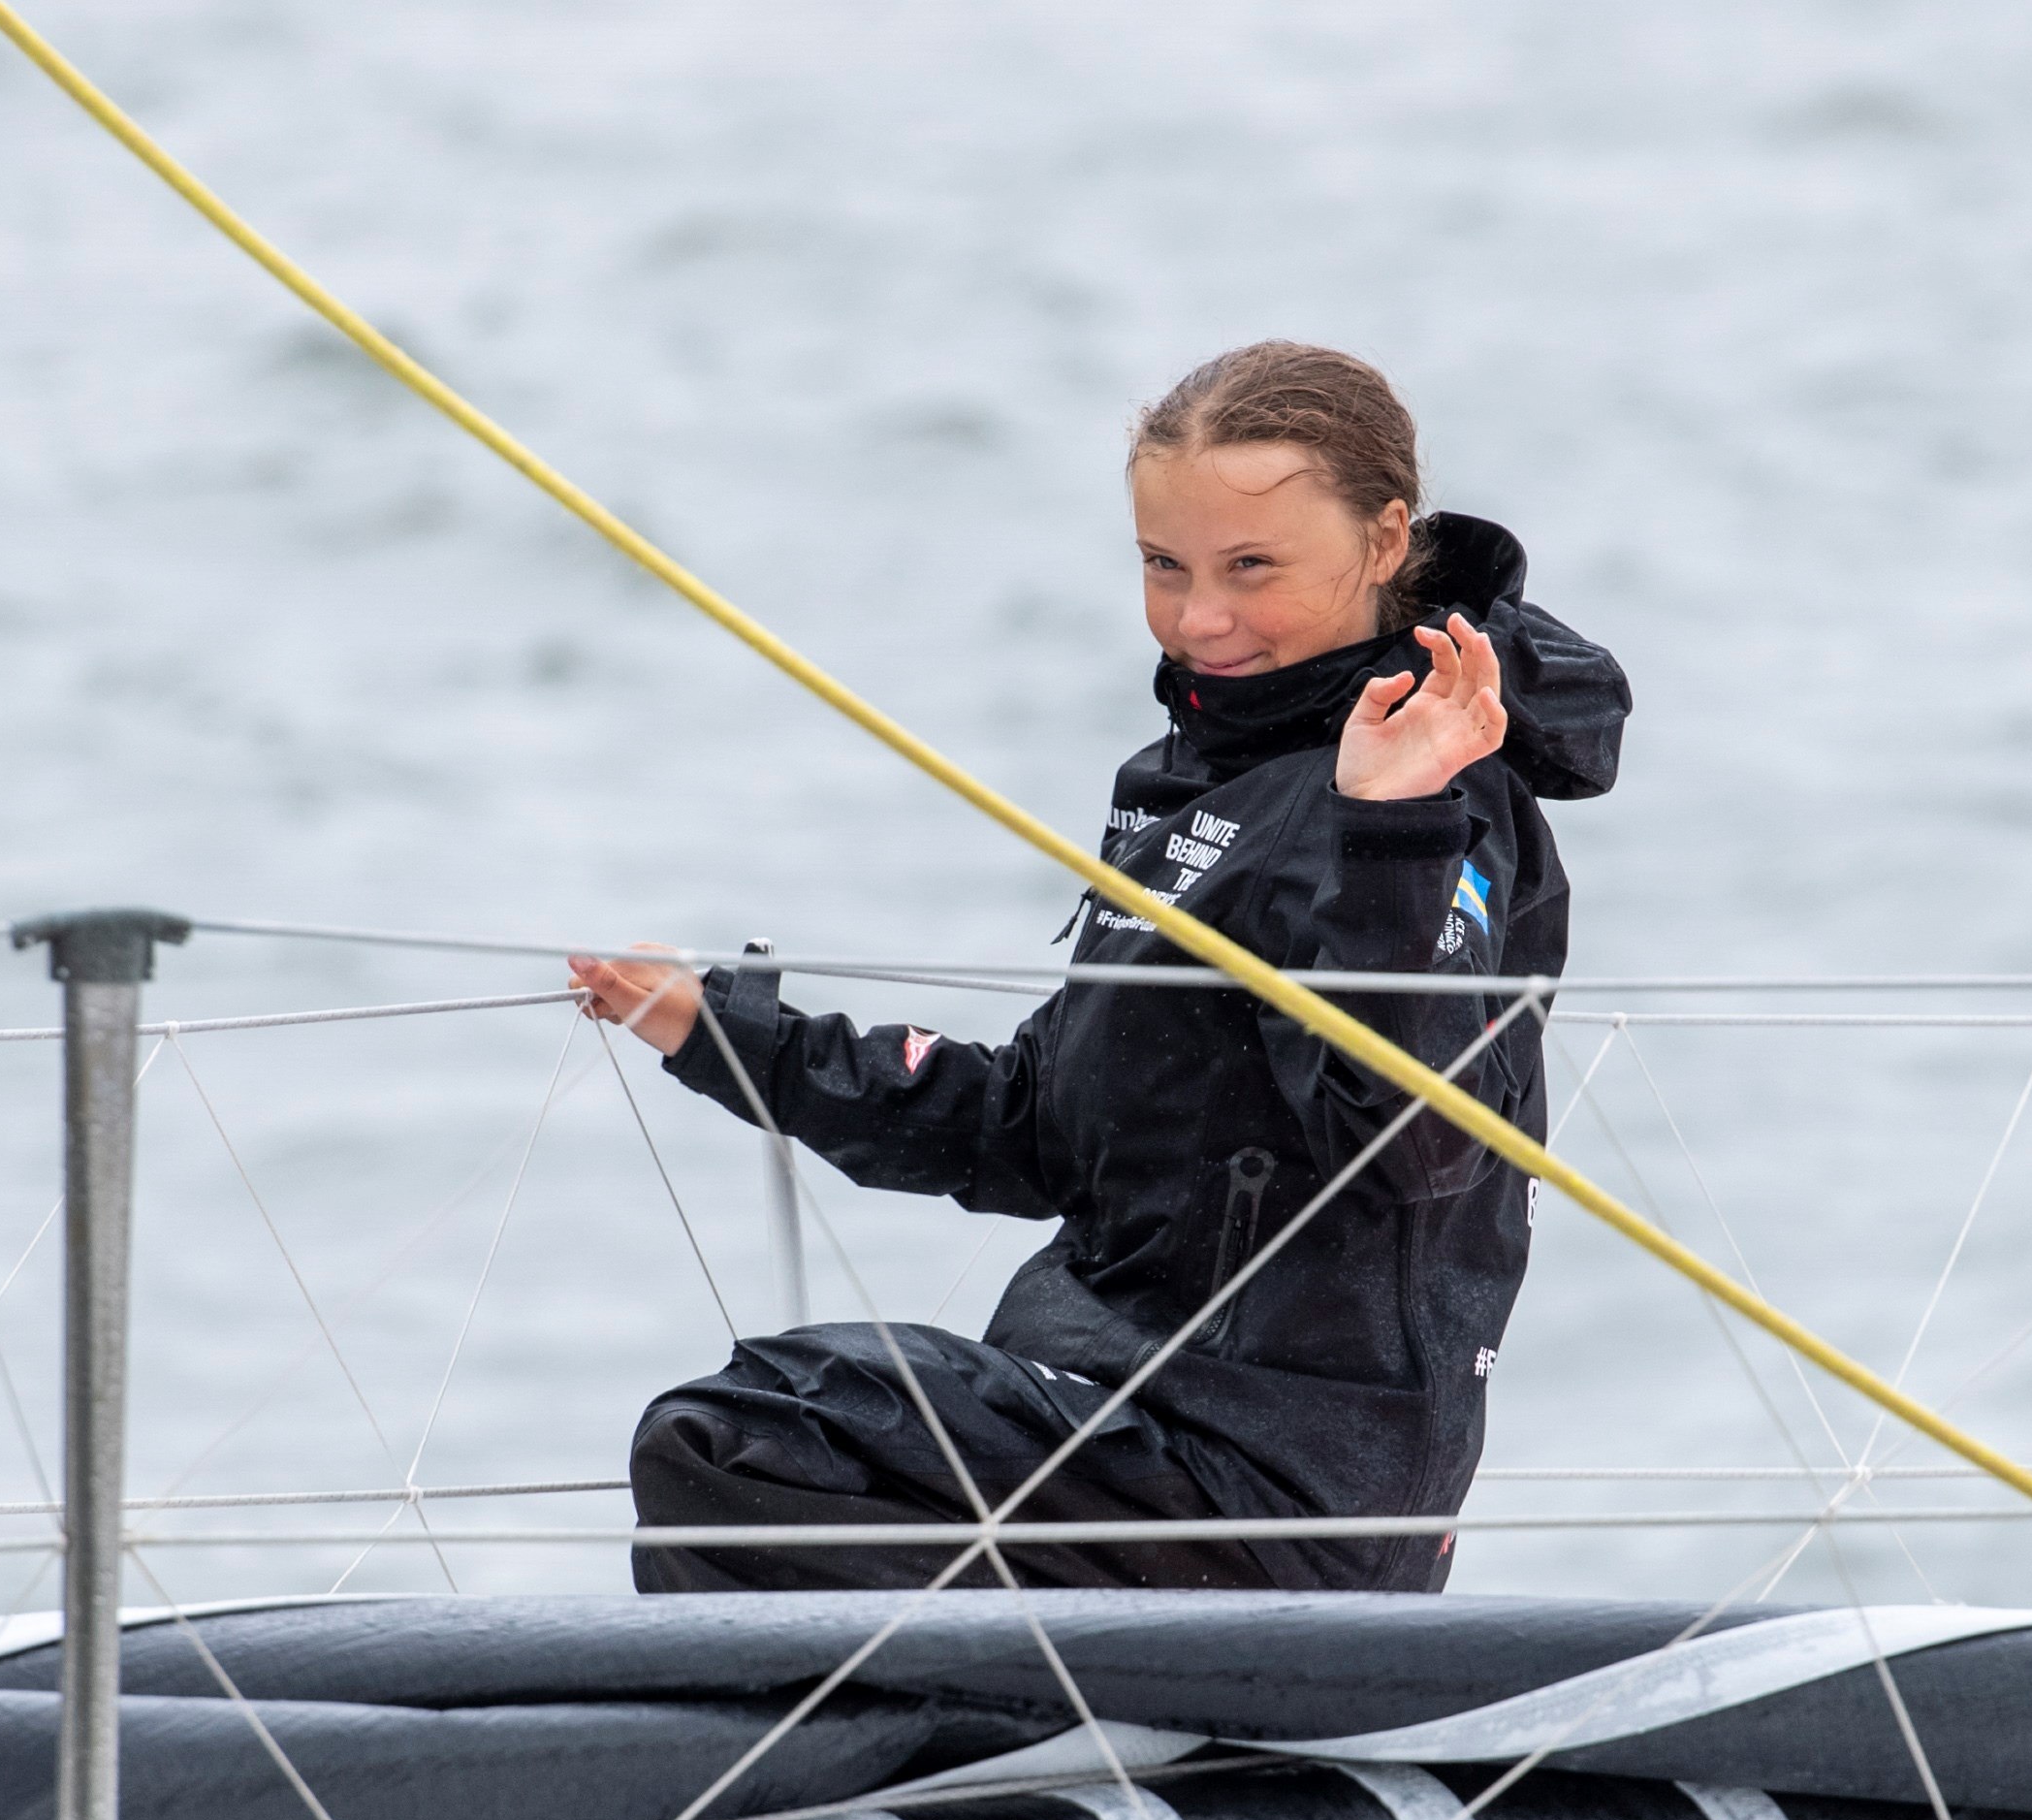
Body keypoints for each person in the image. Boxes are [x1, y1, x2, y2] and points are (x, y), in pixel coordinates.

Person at [569, 340, 1631, 1594]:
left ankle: (866, 1770)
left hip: (1276, 1479)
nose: (1200, 618)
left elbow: (1413, 1148)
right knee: (751, 1442)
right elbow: (1037, 1130)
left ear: (1385, 541)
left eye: (1252, 568)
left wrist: (1390, 825)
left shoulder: (1437, 793)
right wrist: (730, 1037)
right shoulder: (1194, 776)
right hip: (1111, 1415)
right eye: (1163, 566)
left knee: (744, 1432)